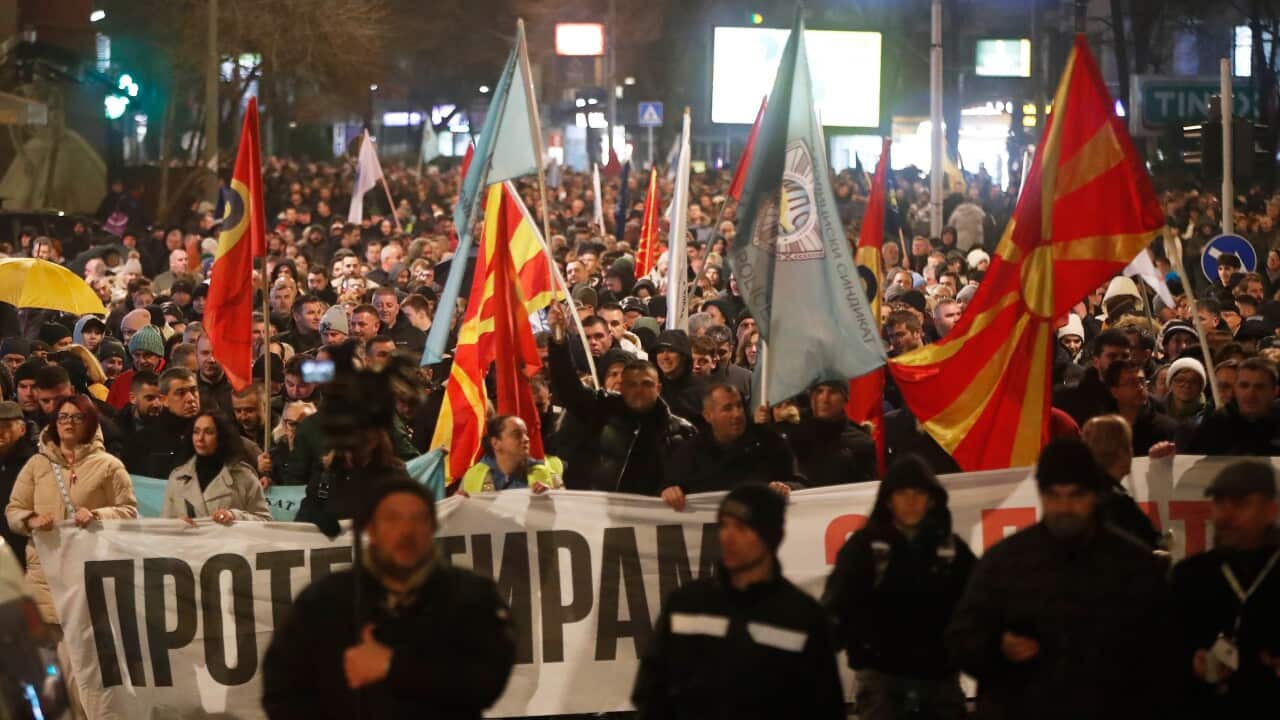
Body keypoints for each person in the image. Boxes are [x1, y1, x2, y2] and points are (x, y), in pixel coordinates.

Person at [945, 437, 1174, 719]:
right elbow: (962, 638)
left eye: (1076, 495)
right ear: (1041, 495)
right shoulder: (1005, 562)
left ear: (1094, 495)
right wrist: (997, 647)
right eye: (1054, 496)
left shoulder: (1132, 564)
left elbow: (1164, 652)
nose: (1065, 507)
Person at [262, 478, 516, 719]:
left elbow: (488, 680)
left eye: (418, 519)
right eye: (392, 519)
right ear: (370, 528)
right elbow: (282, 690)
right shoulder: (324, 600)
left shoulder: (471, 595)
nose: (406, 531)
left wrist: (394, 667)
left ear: (433, 527)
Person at [632, 484, 845, 720]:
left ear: (770, 537)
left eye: (742, 528)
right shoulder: (686, 603)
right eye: (724, 525)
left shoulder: (802, 616)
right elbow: (651, 689)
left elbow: (824, 706)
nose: (728, 537)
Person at [4, 395, 137, 718]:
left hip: (89, 583)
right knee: (54, 674)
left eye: (76, 417)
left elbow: (130, 512)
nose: (68, 422)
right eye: (62, 416)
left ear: (89, 422)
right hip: (45, 581)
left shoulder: (109, 466)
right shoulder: (37, 465)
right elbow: (13, 510)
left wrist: (99, 515)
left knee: (89, 676)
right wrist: (31, 519)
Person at [824, 456, 976, 719]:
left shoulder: (951, 550)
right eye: (902, 493)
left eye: (919, 493)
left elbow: (979, 605)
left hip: (940, 680)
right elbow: (838, 606)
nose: (910, 501)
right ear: (888, 500)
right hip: (882, 681)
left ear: (932, 500)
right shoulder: (865, 548)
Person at [545, 305, 695, 495]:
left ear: (658, 388)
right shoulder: (601, 409)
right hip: (595, 508)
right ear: (622, 387)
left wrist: (676, 488)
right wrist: (558, 340)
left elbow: (692, 476)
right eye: (631, 384)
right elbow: (569, 388)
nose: (638, 390)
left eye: (646, 384)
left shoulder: (679, 431)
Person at [1171, 461, 1280, 717]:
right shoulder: (1190, 576)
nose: (1226, 516)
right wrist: (1190, 662)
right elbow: (1158, 651)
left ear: (1271, 510)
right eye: (1219, 503)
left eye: (1240, 504)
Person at [662, 384, 796, 509]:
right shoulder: (690, 453)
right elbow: (668, 487)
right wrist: (670, 492)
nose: (737, 414)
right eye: (727, 408)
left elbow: (799, 483)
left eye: (739, 406)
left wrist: (787, 487)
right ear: (708, 416)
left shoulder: (771, 442)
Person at [162, 411, 270, 523]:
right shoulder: (177, 477)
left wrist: (234, 516)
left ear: (222, 436)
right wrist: (177, 524)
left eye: (208, 432)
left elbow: (265, 521)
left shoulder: (244, 477)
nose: (200, 438)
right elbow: (165, 524)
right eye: (196, 432)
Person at [766, 380, 877, 486]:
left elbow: (868, 489)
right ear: (811, 396)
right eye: (819, 391)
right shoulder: (789, 433)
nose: (825, 399)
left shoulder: (860, 441)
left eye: (833, 392)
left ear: (845, 398)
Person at [1079, 415, 1164, 549]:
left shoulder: (1080, 496)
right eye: (1129, 446)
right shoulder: (1119, 503)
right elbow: (1151, 543)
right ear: (1122, 453)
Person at [1186, 357, 1280, 455]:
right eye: (1244, 386)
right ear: (1236, 389)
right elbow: (1190, 460)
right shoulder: (1217, 424)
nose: (1250, 394)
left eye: (1259, 387)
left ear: (1275, 391)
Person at [459, 415, 563, 495]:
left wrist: (551, 497)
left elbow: (566, 509)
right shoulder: (473, 475)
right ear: (495, 443)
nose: (526, 439)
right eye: (517, 434)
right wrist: (460, 504)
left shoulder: (547, 474)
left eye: (526, 433)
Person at [1054, 328, 1131, 426]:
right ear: (1096, 361)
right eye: (1112, 356)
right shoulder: (1068, 399)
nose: (1120, 362)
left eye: (1125, 356)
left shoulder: (1137, 397)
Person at [1103, 359, 1178, 456]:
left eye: (1142, 381)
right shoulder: (1105, 430)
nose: (1140, 388)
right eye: (1132, 383)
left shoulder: (1166, 428)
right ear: (1114, 392)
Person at [0, 401, 36, 567]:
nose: (1, 431)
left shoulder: (33, 463)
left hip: (23, 550)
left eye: (7, 426)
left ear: (22, 429)